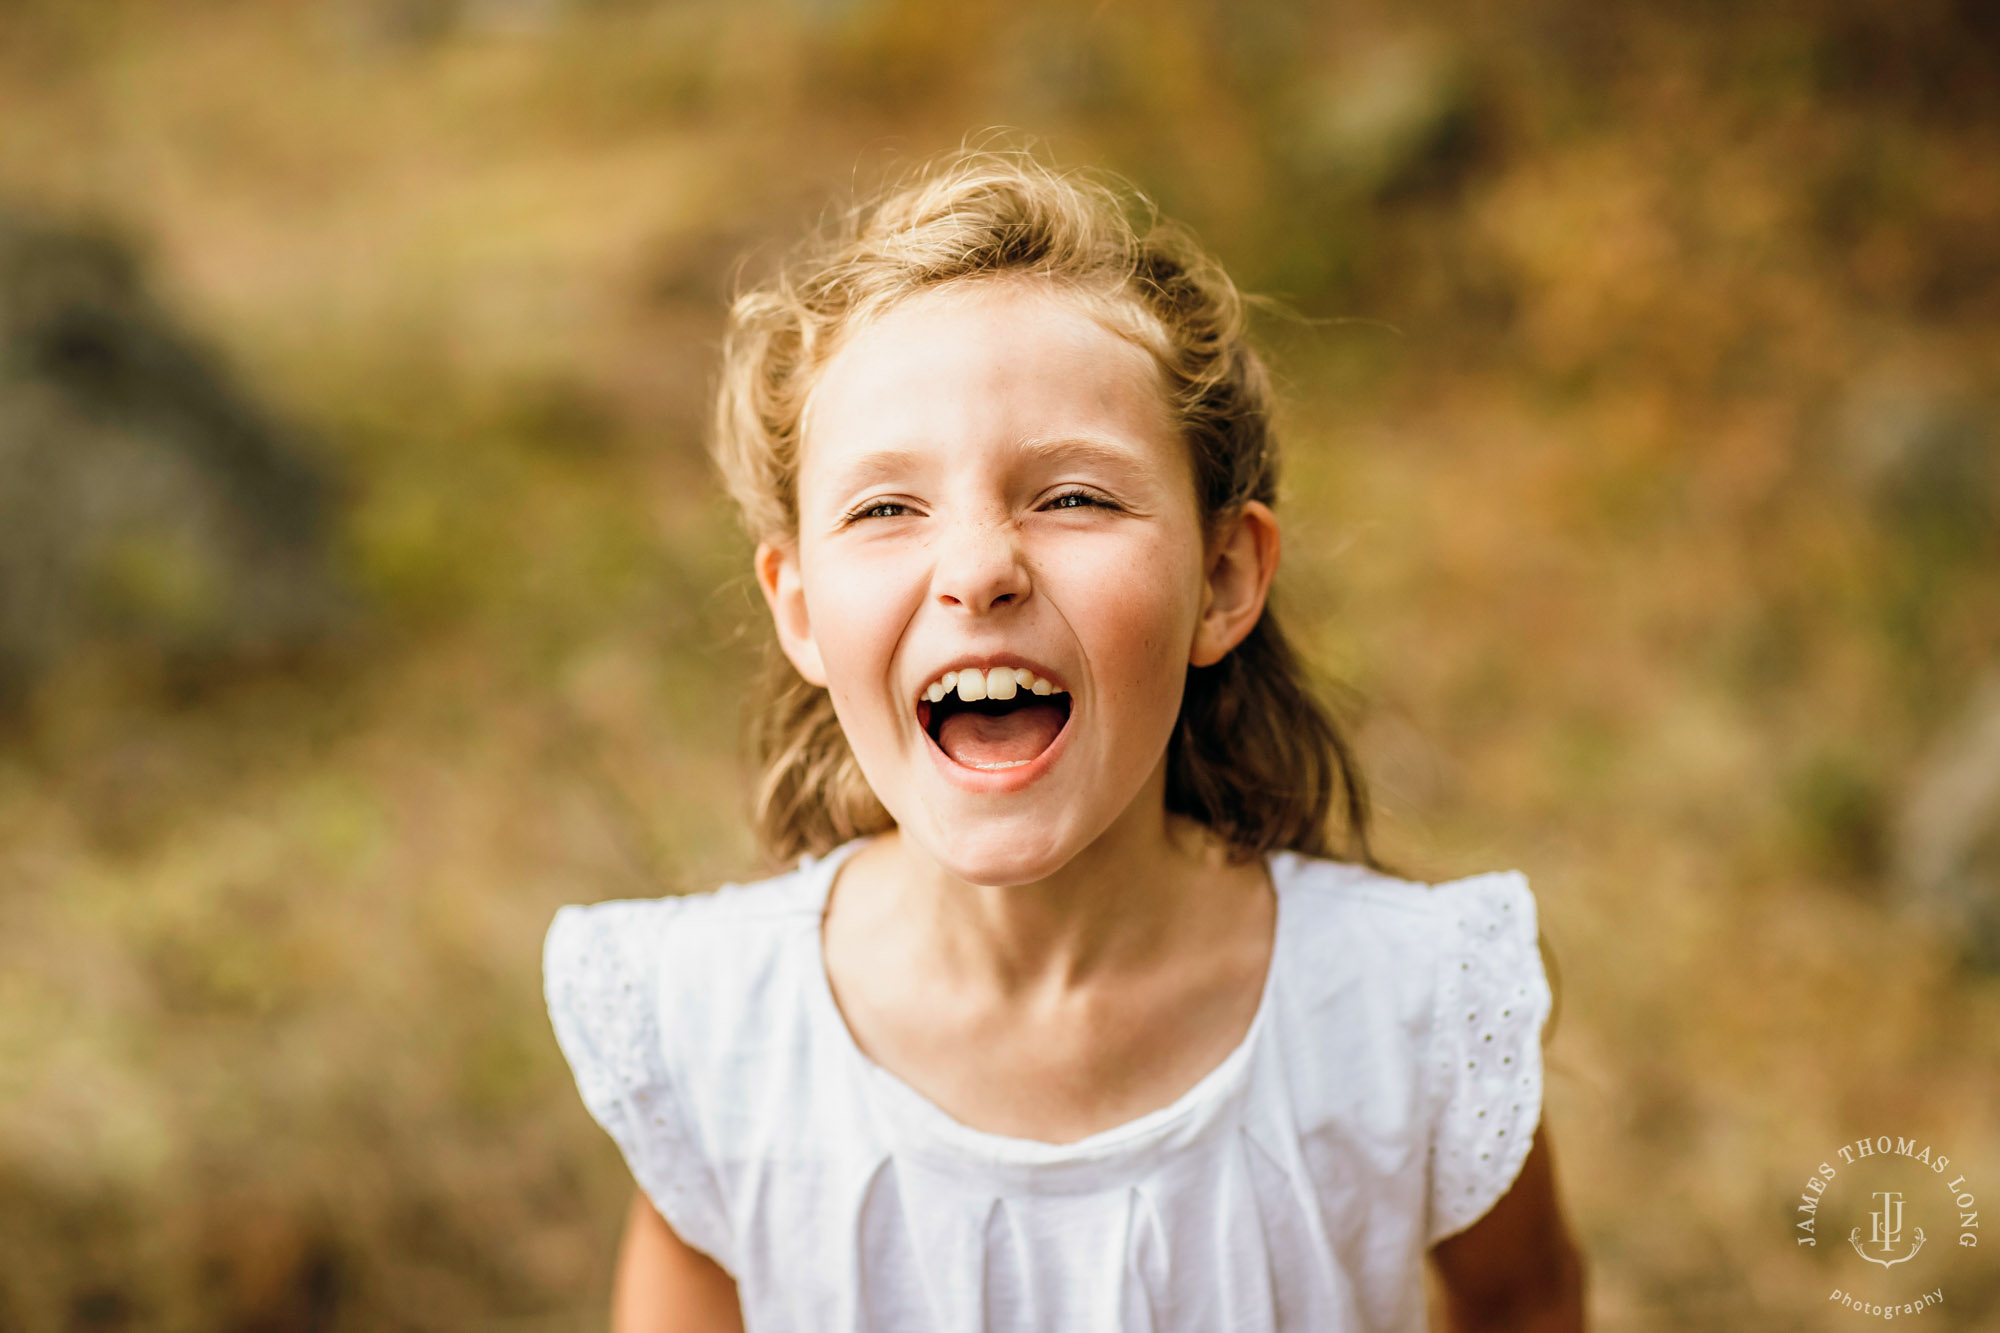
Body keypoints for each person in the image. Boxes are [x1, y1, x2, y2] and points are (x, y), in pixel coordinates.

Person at [544, 148, 1586, 1332]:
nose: (980, 568)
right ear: (797, 609)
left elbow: (1528, 1302)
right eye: (886, 507)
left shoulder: (1409, 1013)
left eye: (1073, 495)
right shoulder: (712, 1035)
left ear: (1221, 576)